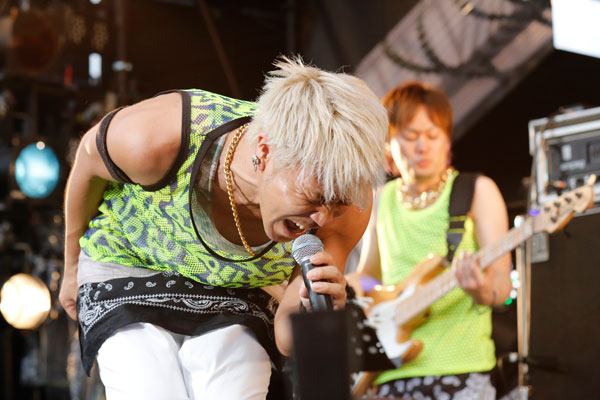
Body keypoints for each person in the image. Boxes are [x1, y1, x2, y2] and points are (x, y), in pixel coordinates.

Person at [58, 56, 388, 400]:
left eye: (337, 203)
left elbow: (285, 339)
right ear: (265, 150)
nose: (323, 219)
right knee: (152, 388)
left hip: (239, 293)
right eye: (315, 197)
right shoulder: (159, 136)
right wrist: (71, 267)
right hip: (128, 266)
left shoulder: (347, 207)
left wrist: (311, 311)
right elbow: (87, 161)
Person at [353, 81, 512, 399]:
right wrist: (347, 288)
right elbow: (369, 277)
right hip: (391, 372)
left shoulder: (476, 191)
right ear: (389, 145)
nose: (422, 146)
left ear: (447, 141)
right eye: (410, 136)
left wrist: (480, 289)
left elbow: (502, 289)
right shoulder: (380, 200)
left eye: (432, 135)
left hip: (461, 369)